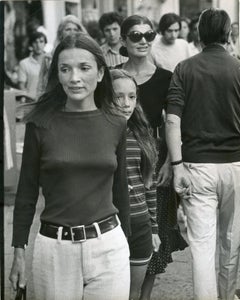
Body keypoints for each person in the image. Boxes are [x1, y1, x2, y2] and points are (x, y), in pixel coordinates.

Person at [9, 32, 130, 300]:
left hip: (109, 247)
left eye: (84, 68)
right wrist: (18, 251)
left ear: (100, 73)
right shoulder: (40, 123)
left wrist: (129, 247)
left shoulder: (116, 123)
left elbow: (121, 189)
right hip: (54, 251)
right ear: (58, 75)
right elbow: (27, 191)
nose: (74, 77)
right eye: (65, 69)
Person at [165, 8, 240, 300]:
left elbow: (172, 120)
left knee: (202, 246)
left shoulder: (184, 69)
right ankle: (227, 296)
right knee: (230, 243)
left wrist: (176, 165)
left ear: (199, 34)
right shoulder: (238, 68)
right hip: (235, 165)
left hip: (195, 166)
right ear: (227, 34)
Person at [117, 15, 188, 300]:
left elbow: (173, 122)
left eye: (149, 35)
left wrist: (172, 164)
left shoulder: (165, 78)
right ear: (123, 40)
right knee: (122, 235)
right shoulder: (113, 77)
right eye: (135, 35)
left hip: (155, 164)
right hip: (120, 161)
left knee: (154, 238)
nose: (143, 40)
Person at [110, 69, 160, 300]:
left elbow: (149, 185)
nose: (125, 103)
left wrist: (154, 228)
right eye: (118, 96)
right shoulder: (98, 135)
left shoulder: (141, 134)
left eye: (131, 97)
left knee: (133, 293)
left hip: (140, 224)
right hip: (108, 226)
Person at [36, 14, 87, 99]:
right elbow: (40, 86)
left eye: (75, 29)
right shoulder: (49, 58)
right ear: (60, 33)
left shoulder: (86, 55)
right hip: (55, 102)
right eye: (68, 29)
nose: (72, 33)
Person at [18, 31, 47, 100]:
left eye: (41, 41)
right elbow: (22, 86)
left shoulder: (51, 61)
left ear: (45, 44)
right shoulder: (24, 63)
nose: (38, 45)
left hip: (49, 102)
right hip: (31, 101)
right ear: (31, 45)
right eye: (35, 42)